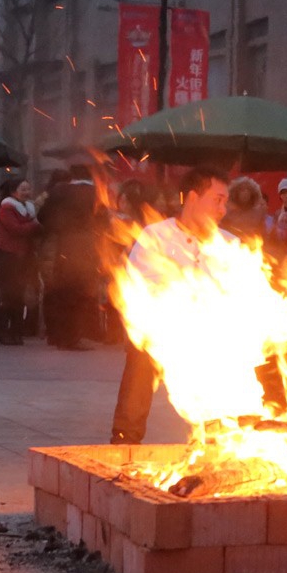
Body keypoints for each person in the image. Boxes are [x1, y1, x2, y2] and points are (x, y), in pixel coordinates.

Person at [109, 166, 236, 444]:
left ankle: (220, 440)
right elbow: (143, 287)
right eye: (217, 200)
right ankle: (125, 438)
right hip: (165, 332)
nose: (223, 209)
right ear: (192, 198)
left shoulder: (230, 244)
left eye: (226, 201)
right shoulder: (156, 236)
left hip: (212, 337)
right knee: (141, 354)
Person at [39, 163, 104, 350]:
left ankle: (58, 335)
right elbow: (104, 220)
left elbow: (42, 216)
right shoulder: (95, 192)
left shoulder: (59, 191)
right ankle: (73, 337)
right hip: (87, 247)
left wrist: (57, 229)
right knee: (80, 293)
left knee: (61, 290)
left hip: (63, 245)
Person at [0, 178, 42, 345]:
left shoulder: (28, 209)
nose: (27, 192)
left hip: (24, 257)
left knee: (19, 295)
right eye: (23, 189)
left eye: (28, 189)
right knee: (7, 295)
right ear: (13, 192)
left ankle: (17, 332)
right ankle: (4, 332)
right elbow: (16, 229)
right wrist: (34, 225)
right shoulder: (7, 208)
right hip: (7, 257)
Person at [222, 177, 269, 244]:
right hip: (232, 244)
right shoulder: (227, 210)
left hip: (252, 245)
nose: (245, 193)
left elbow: (262, 231)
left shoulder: (259, 211)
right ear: (236, 192)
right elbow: (222, 229)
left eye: (248, 190)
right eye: (242, 190)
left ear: (253, 193)